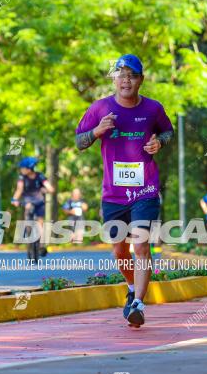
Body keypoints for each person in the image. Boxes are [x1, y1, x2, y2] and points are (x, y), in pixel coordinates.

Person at [75, 53, 174, 328]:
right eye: (121, 75)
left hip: (145, 190)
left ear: (141, 80)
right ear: (115, 80)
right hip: (114, 195)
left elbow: (167, 132)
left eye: (131, 75)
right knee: (120, 252)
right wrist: (97, 131)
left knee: (141, 245)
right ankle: (131, 288)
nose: (126, 80)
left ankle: (139, 305)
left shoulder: (153, 108)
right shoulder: (100, 108)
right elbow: (79, 142)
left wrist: (160, 143)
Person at [11, 157, 55, 256]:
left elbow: (50, 188)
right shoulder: (22, 177)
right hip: (27, 201)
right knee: (28, 209)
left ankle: (41, 245)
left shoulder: (40, 176)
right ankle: (29, 236)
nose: (21, 170)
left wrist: (46, 190)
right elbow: (19, 189)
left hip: (39, 202)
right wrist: (14, 199)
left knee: (40, 222)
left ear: (29, 168)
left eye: (23, 168)